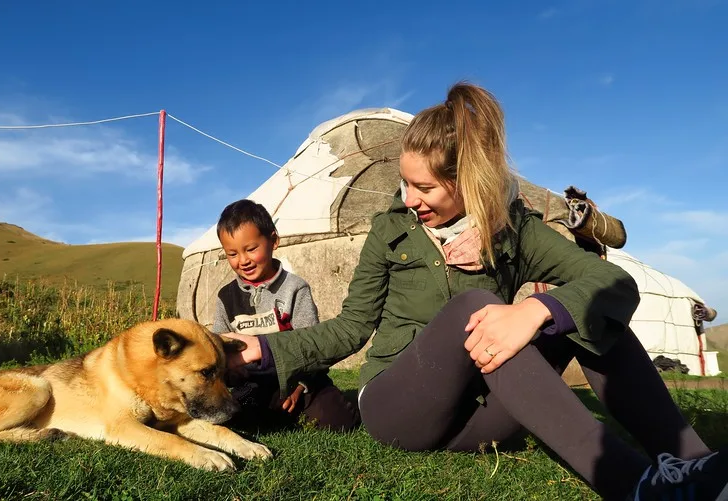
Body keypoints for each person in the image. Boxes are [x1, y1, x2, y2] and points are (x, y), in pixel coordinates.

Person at [223, 83, 728, 500]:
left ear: (467, 180)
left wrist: (538, 309)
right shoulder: (390, 230)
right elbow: (351, 327)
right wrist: (268, 349)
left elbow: (614, 282)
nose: (410, 199)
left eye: (425, 188)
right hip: (398, 407)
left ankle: (693, 464)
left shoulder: (515, 231)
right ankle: (633, 485)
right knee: (478, 306)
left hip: (478, 418)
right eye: (405, 184)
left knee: (590, 311)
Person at [212, 199, 360, 432]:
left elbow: (311, 344)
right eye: (232, 254)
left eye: (251, 249)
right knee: (235, 419)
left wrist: (300, 385)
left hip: (299, 376)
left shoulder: (295, 288)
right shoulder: (226, 297)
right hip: (253, 383)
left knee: (338, 419)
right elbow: (218, 345)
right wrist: (231, 373)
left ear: (273, 240)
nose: (243, 260)